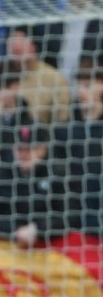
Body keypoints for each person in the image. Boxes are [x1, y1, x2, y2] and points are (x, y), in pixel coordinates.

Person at [0, 125, 70, 249]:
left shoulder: (58, 174)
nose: (24, 154)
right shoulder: (1, 173)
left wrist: (37, 229)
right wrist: (15, 229)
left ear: (43, 149)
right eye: (20, 149)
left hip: (49, 246)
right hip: (8, 243)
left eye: (30, 149)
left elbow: (68, 215)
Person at [53, 67, 103, 239]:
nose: (81, 92)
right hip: (71, 214)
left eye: (87, 86)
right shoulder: (63, 130)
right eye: (79, 86)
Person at [4, 25, 71, 125]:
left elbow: (62, 121)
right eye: (12, 41)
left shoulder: (54, 78)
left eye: (22, 41)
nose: (16, 46)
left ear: (34, 45)